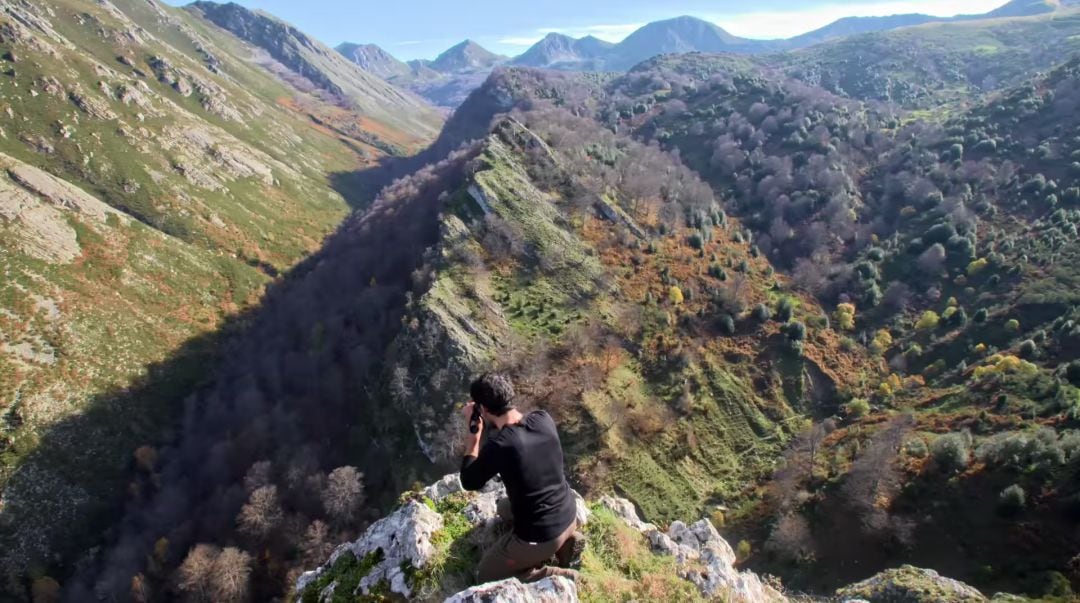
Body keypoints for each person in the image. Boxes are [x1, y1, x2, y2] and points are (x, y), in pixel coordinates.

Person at [459, 372, 585, 584]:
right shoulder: (542, 418)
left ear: (483, 409)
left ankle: (556, 576)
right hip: (569, 513)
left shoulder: (501, 444)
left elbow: (469, 481)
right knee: (503, 508)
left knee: (485, 575)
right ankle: (567, 541)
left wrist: (474, 437)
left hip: (540, 536)